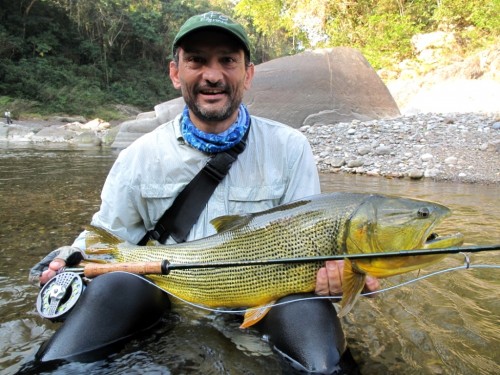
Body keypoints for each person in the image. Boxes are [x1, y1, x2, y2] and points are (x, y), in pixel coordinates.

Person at [30, 11, 379, 373]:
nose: (212, 75)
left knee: (311, 319)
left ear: (248, 73)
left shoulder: (291, 148)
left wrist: (343, 277)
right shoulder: (139, 156)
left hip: (262, 305)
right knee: (115, 287)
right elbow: (107, 239)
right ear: (175, 72)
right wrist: (67, 260)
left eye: (227, 60)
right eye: (197, 60)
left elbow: (312, 240)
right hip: (165, 302)